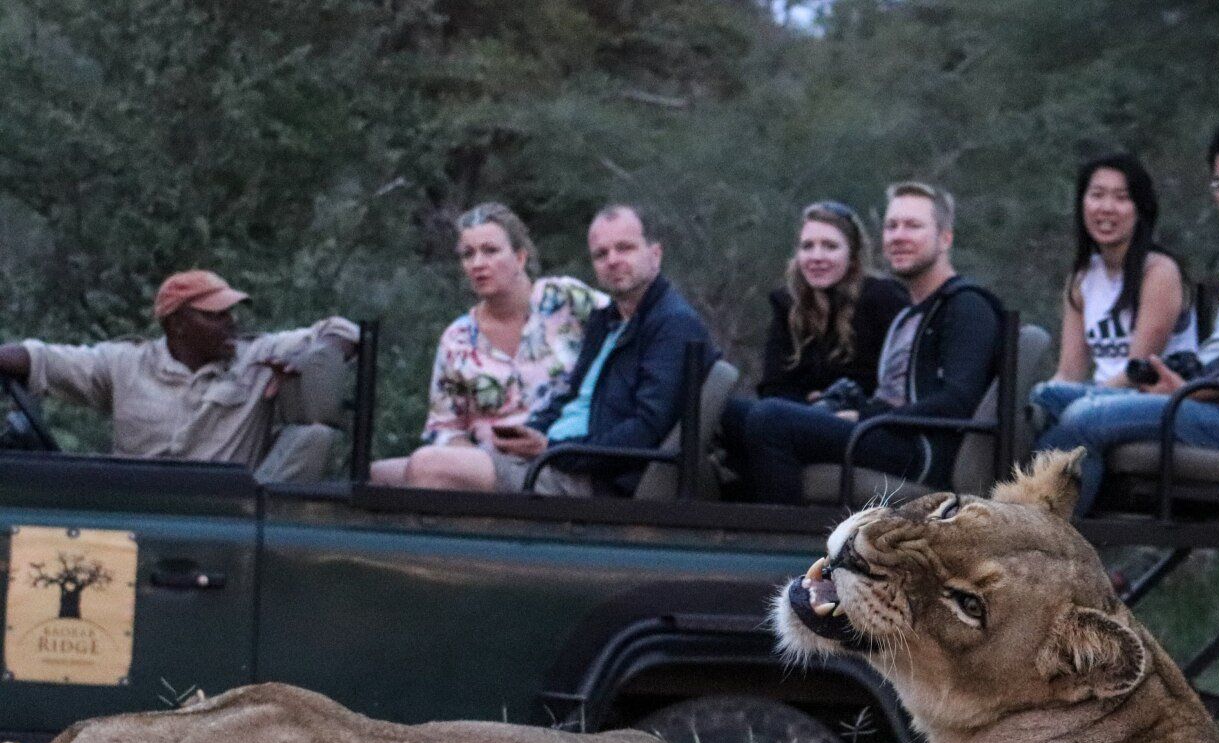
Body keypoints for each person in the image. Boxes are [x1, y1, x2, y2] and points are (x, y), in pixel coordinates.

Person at [1034, 119, 1219, 518]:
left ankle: (1042, 552)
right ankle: (1025, 531)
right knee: (1044, 398)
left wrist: (1191, 390)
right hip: (1204, 403)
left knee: (1085, 418)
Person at [395, 203, 714, 497]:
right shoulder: (609, 319)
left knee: (428, 467)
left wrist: (552, 448)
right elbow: (570, 396)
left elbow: (645, 430)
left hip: (588, 475)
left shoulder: (671, 325)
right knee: (379, 475)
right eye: (601, 254)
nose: (612, 260)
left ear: (655, 254)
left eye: (625, 248)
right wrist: (527, 435)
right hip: (552, 456)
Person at [729, 182, 1003, 505]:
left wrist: (866, 418)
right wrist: (856, 410)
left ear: (945, 238)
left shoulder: (966, 306)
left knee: (770, 420)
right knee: (735, 413)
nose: (898, 235)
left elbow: (958, 402)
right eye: (891, 226)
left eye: (913, 226)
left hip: (920, 450)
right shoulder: (913, 312)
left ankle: (784, 544)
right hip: (887, 431)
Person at [0, 271, 358, 481]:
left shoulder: (257, 356)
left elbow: (344, 329)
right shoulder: (126, 364)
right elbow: (41, 359)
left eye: (230, 312)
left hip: (220, 516)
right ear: (178, 325)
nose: (230, 322)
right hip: (135, 510)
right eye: (214, 315)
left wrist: (313, 356)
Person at [369, 204, 604, 484]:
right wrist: (471, 458)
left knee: (426, 466)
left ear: (519, 257)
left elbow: (627, 325)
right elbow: (444, 428)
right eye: (468, 254)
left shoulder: (565, 299)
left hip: (558, 455)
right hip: (490, 463)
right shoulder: (458, 339)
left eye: (490, 251)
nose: (478, 263)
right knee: (377, 475)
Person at [1028, 152, 1198, 433]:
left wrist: (1078, 398)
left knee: (1051, 403)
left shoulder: (1158, 271)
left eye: (1121, 198)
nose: (1106, 208)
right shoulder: (1082, 278)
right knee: (1027, 408)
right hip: (1099, 398)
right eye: (1097, 195)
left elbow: (1137, 370)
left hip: (1150, 399)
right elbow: (1069, 373)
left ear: (1140, 208)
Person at [752, 201, 909, 404]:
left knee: (767, 415)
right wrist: (810, 401)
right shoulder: (787, 303)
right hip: (797, 414)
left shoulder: (883, 298)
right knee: (724, 411)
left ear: (852, 256)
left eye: (830, 246)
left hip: (860, 423)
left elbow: (897, 386)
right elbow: (773, 386)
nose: (817, 257)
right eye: (808, 246)